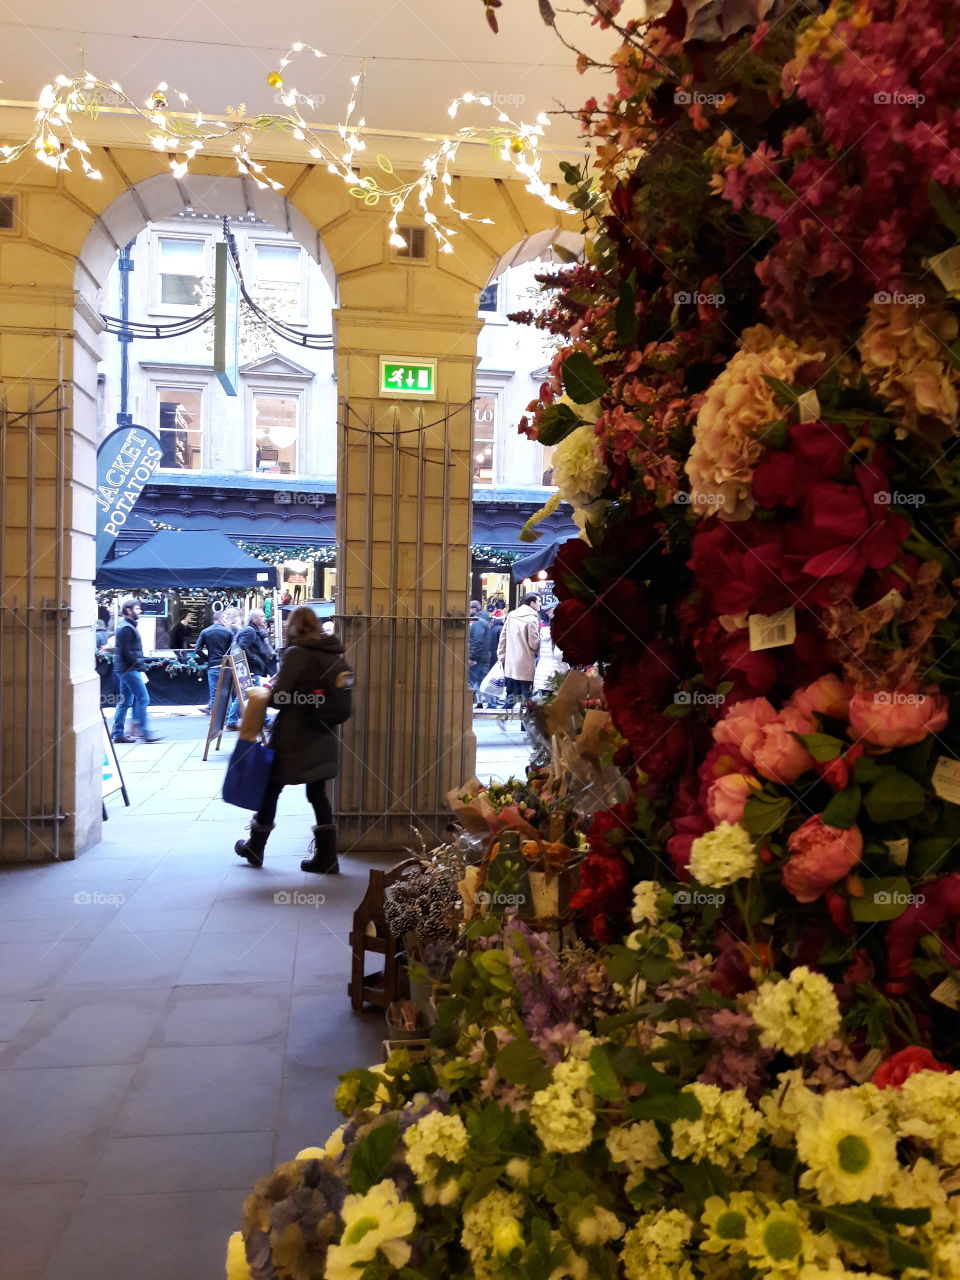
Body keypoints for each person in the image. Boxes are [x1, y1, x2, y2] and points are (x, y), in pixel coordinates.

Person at [234, 605, 353, 874]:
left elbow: (279, 698)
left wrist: (269, 692)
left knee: (271, 788)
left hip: (294, 738)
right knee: (317, 793)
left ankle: (256, 845)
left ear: (295, 627)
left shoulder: (298, 653)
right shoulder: (335, 655)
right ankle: (327, 857)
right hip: (324, 736)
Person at [111, 597, 162, 743]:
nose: (140, 611)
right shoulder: (127, 627)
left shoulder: (125, 625)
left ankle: (118, 733)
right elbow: (126, 652)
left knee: (125, 701)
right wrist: (138, 665)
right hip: (129, 669)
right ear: (128, 610)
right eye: (137, 608)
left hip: (125, 669)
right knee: (143, 698)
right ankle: (144, 733)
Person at [225, 608, 277, 729]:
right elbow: (241, 647)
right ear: (254, 618)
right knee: (257, 695)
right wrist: (254, 659)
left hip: (252, 669)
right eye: (262, 616)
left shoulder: (256, 630)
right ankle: (265, 721)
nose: (265, 618)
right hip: (251, 669)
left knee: (247, 695)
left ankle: (232, 721)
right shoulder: (250, 631)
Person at [497, 592, 540, 706]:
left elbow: (503, 637)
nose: (540, 605)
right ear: (532, 603)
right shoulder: (532, 619)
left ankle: (501, 718)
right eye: (538, 602)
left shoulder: (511, 615)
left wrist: (501, 656)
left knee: (511, 695)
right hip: (525, 665)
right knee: (527, 698)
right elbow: (533, 644)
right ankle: (525, 723)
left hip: (511, 665)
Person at [194, 608, 239, 716]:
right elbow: (233, 649)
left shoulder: (205, 632)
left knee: (214, 695)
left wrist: (207, 659)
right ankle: (227, 718)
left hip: (213, 665)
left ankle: (216, 719)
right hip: (226, 666)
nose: (226, 620)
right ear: (220, 618)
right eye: (224, 617)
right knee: (226, 693)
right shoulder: (228, 632)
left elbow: (197, 650)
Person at [533, 605, 569, 693]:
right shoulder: (559, 634)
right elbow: (559, 654)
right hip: (556, 670)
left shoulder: (543, 631)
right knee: (555, 701)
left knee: (544, 700)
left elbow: (538, 649)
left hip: (543, 668)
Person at [467, 600, 491, 710]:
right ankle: (482, 702)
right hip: (483, 656)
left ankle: (484, 702)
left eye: (470, 608)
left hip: (478, 658)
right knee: (481, 681)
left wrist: (472, 657)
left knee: (475, 681)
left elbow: (477, 641)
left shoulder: (478, 622)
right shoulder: (484, 621)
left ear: (474, 609)